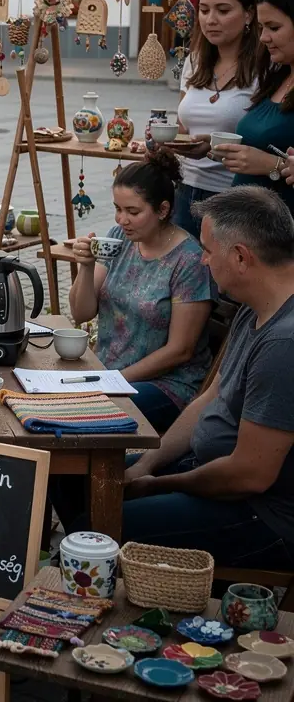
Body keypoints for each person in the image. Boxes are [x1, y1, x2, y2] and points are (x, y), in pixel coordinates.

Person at [118, 186, 294, 569]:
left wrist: (159, 483)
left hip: (264, 518)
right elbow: (212, 397)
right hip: (210, 476)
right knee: (85, 477)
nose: (202, 262)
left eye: (208, 251)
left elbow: (248, 476)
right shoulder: (257, 305)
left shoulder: (284, 343)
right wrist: (148, 461)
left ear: (241, 257)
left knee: (97, 527)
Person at [69, 152, 214, 432]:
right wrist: (85, 267)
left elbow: (180, 351)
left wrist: (114, 381)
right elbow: (81, 313)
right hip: (110, 371)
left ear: (162, 210)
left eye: (133, 212)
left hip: (167, 385)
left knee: (82, 415)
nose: (122, 219)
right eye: (117, 209)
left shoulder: (188, 260)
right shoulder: (118, 237)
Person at [166, 0, 259, 238]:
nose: (211, 20)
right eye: (204, 10)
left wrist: (217, 146)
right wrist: (167, 143)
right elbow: (183, 127)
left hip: (235, 197)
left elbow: (269, 134)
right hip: (185, 189)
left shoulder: (265, 69)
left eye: (223, 10)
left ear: (249, 14)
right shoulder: (194, 61)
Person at [218, 0, 294, 211]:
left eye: (274, 27)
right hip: (246, 225)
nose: (263, 38)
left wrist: (274, 165)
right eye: (262, 28)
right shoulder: (277, 78)